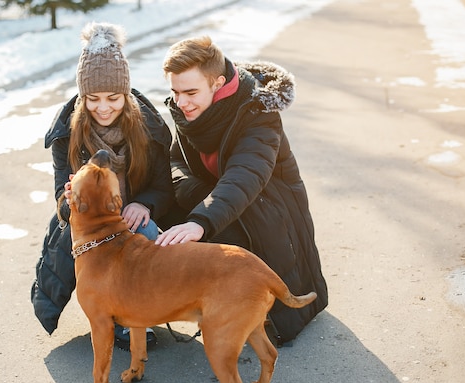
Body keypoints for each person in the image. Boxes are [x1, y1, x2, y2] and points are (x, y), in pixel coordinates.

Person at [156, 36, 328, 344]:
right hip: (221, 198)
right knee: (163, 209)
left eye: (190, 92)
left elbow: (244, 177)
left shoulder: (258, 113)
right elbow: (174, 162)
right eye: (175, 92)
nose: (181, 102)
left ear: (218, 82)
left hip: (270, 207)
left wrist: (200, 221)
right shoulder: (189, 111)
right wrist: (193, 195)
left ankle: (253, 307)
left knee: (216, 226)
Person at [31, 22, 174, 350]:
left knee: (147, 231)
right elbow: (60, 199)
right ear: (83, 97)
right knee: (94, 249)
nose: (104, 107)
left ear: (125, 93)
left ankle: (141, 309)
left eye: (113, 97)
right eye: (93, 98)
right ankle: (114, 313)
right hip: (90, 222)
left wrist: (145, 203)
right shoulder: (67, 134)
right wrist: (69, 201)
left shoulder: (149, 129)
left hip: (135, 219)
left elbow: (164, 188)